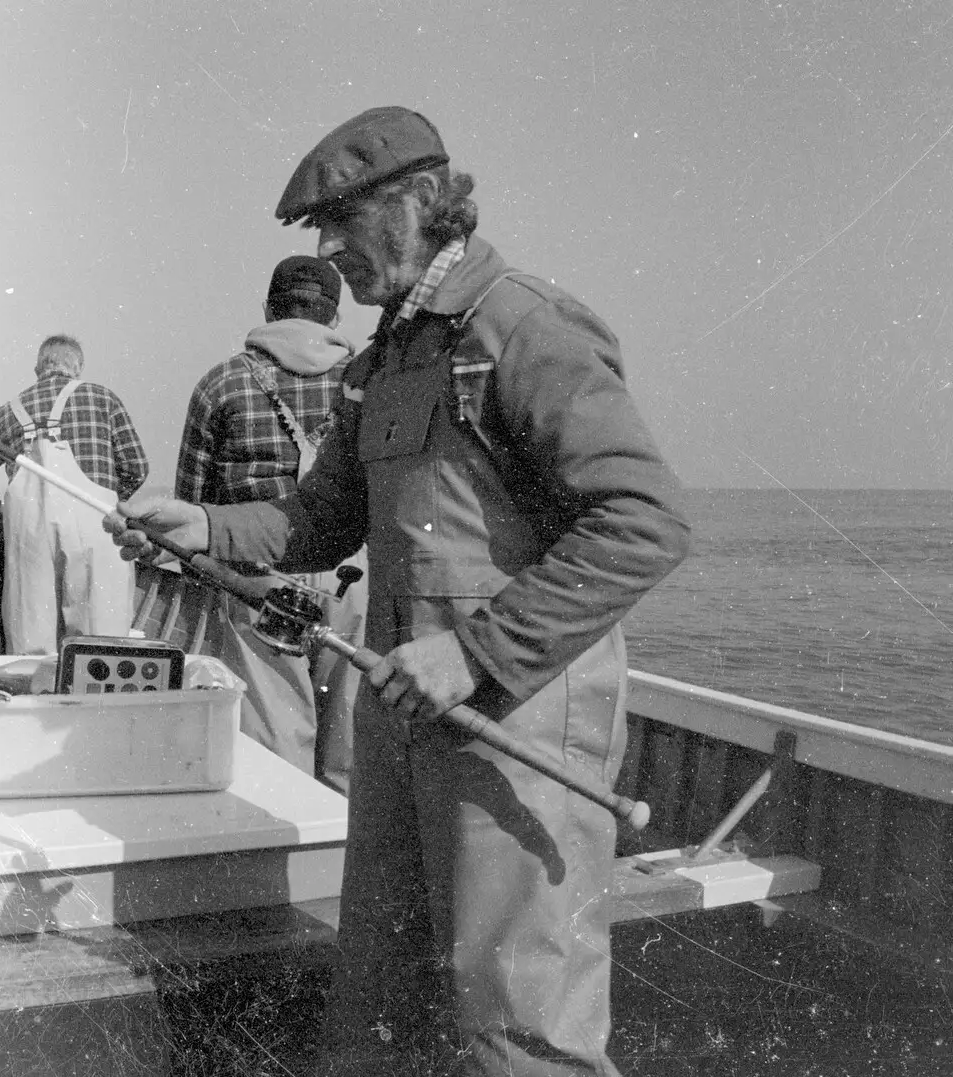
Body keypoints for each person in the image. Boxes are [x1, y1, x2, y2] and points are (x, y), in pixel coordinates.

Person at [110, 106, 691, 1076]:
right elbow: (314, 522)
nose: (329, 254)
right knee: (385, 1006)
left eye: (344, 221)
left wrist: (474, 655)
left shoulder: (523, 328)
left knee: (517, 1030)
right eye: (320, 233)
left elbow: (645, 521)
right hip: (401, 727)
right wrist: (201, 525)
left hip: (519, 732)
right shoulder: (382, 362)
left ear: (422, 199)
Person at [175, 254, 366, 793]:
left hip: (259, 581)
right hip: (353, 581)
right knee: (350, 750)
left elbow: (194, 506)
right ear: (333, 317)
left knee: (279, 750)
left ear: (267, 308)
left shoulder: (221, 383)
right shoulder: (365, 382)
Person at [0, 334, 148, 654]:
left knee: (32, 637)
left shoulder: (9, 412)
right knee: (101, 642)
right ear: (78, 367)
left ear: (37, 369)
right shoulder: (103, 398)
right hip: (96, 526)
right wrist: (109, 500)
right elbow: (138, 466)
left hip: (29, 533)